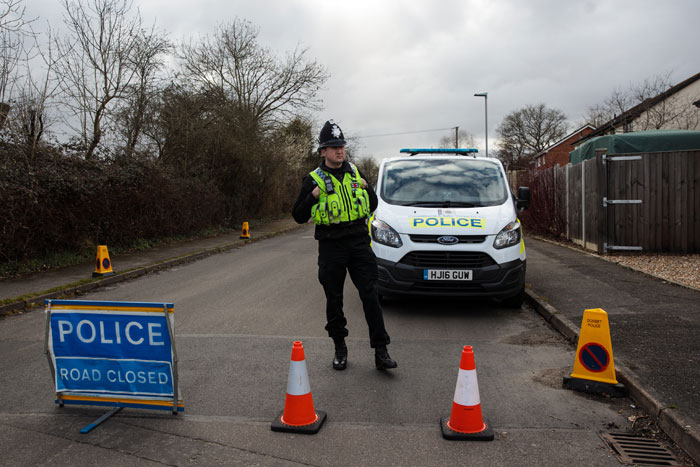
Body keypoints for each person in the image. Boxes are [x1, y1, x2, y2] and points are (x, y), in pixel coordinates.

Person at [292, 119, 397, 371]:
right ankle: (340, 347)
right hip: (331, 246)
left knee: (370, 294)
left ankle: (381, 351)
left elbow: (372, 204)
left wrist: (368, 187)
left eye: (342, 146)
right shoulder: (313, 179)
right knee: (334, 299)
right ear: (323, 151)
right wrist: (312, 196)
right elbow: (297, 215)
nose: (340, 150)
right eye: (333, 147)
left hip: (359, 243)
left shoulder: (355, 172)